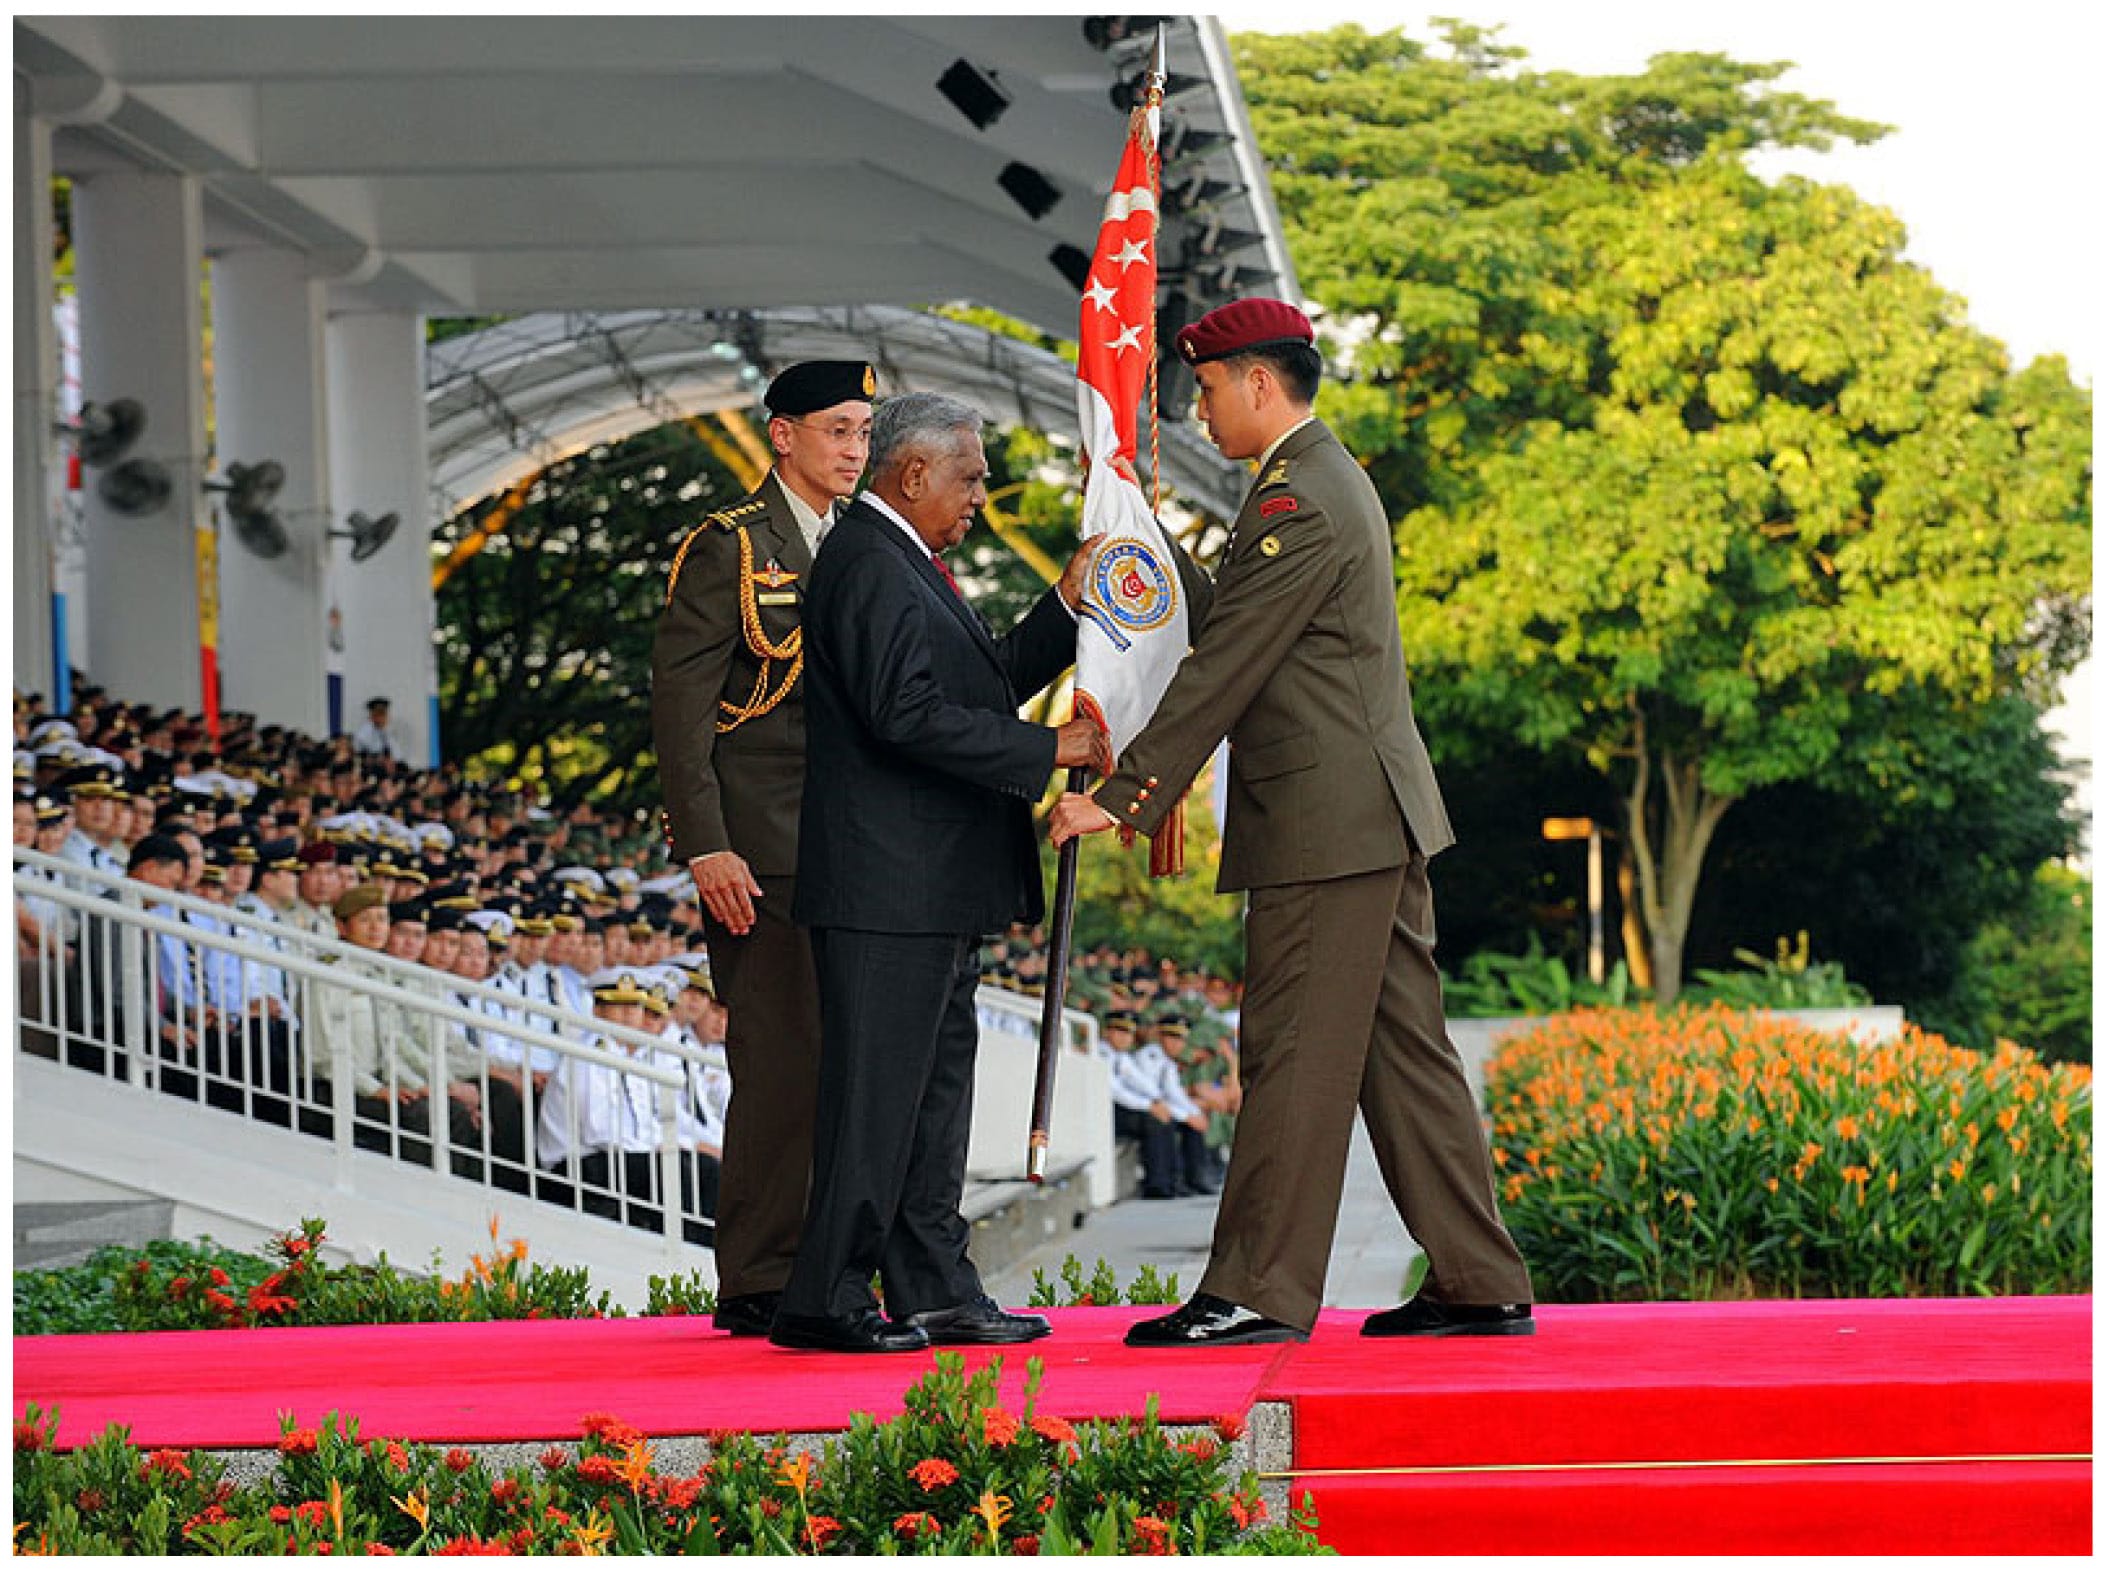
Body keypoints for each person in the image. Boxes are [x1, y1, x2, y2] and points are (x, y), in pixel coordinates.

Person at [1052, 297, 1535, 1346]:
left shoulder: (1298, 497)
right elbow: (1235, 619)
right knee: (1398, 1056)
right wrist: (1139, 537)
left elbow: (1227, 664)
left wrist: (1125, 795)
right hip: (1361, 815)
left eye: (1211, 389)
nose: (1201, 409)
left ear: (1260, 384)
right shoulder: (1310, 483)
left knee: (1289, 1052)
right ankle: (1477, 1276)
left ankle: (1259, 1290)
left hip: (1328, 826)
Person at [768, 390, 1104, 1354]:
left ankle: (931, 1284)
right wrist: (1047, 751)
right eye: (970, 475)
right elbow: (903, 715)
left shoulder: (903, 560)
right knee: (878, 1100)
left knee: (928, 1102)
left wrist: (1064, 609)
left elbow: (979, 680)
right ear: (911, 474)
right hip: (889, 887)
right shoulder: (871, 562)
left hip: (926, 887)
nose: (981, 495)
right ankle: (825, 1294)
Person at [651, 359, 875, 1337]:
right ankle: (758, 1272)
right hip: (762, 848)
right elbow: (681, 708)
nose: (854, 451)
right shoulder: (732, 547)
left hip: (853, 847)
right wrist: (707, 844)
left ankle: (828, 1266)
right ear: (782, 435)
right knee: (781, 1063)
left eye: (865, 432)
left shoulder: (863, 542)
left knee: (845, 1065)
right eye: (836, 430)